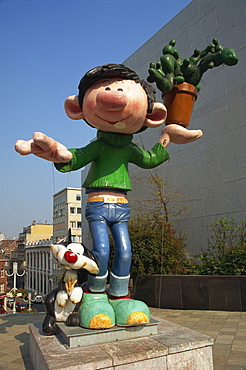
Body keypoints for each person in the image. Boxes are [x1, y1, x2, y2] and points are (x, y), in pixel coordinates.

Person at [15, 64, 202, 329]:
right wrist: (58, 153)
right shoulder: (99, 145)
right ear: (77, 108)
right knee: (101, 250)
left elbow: (149, 160)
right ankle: (95, 296)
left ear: (152, 116)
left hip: (121, 205)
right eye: (106, 89)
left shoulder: (129, 149)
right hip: (97, 203)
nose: (114, 96)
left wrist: (166, 137)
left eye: (120, 89)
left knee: (125, 251)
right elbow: (76, 156)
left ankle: (120, 296)